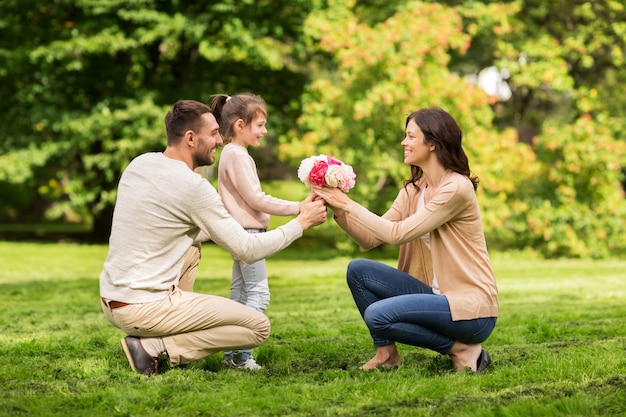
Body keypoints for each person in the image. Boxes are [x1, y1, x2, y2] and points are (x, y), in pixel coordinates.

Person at [99, 99, 327, 376]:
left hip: (112, 298)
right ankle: (155, 346)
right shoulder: (193, 187)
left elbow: (181, 227)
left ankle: (157, 333)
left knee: (192, 249)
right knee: (257, 327)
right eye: (214, 133)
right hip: (144, 307)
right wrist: (301, 223)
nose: (220, 140)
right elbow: (247, 249)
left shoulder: (141, 163)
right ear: (191, 138)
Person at [313, 108, 498, 372]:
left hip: (471, 309)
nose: (404, 142)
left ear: (432, 143)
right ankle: (387, 355)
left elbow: (397, 234)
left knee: (377, 315)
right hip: (435, 296)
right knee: (359, 271)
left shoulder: (456, 188)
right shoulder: (415, 189)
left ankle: (461, 349)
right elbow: (369, 238)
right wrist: (338, 207)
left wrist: (348, 203)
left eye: (411, 136)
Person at [210, 93, 301, 370]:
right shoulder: (236, 155)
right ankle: (243, 356)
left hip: (244, 232)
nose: (265, 131)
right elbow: (256, 198)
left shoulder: (234, 153)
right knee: (258, 295)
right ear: (240, 125)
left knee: (239, 295)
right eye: (260, 125)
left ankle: (231, 356)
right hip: (248, 234)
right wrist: (299, 207)